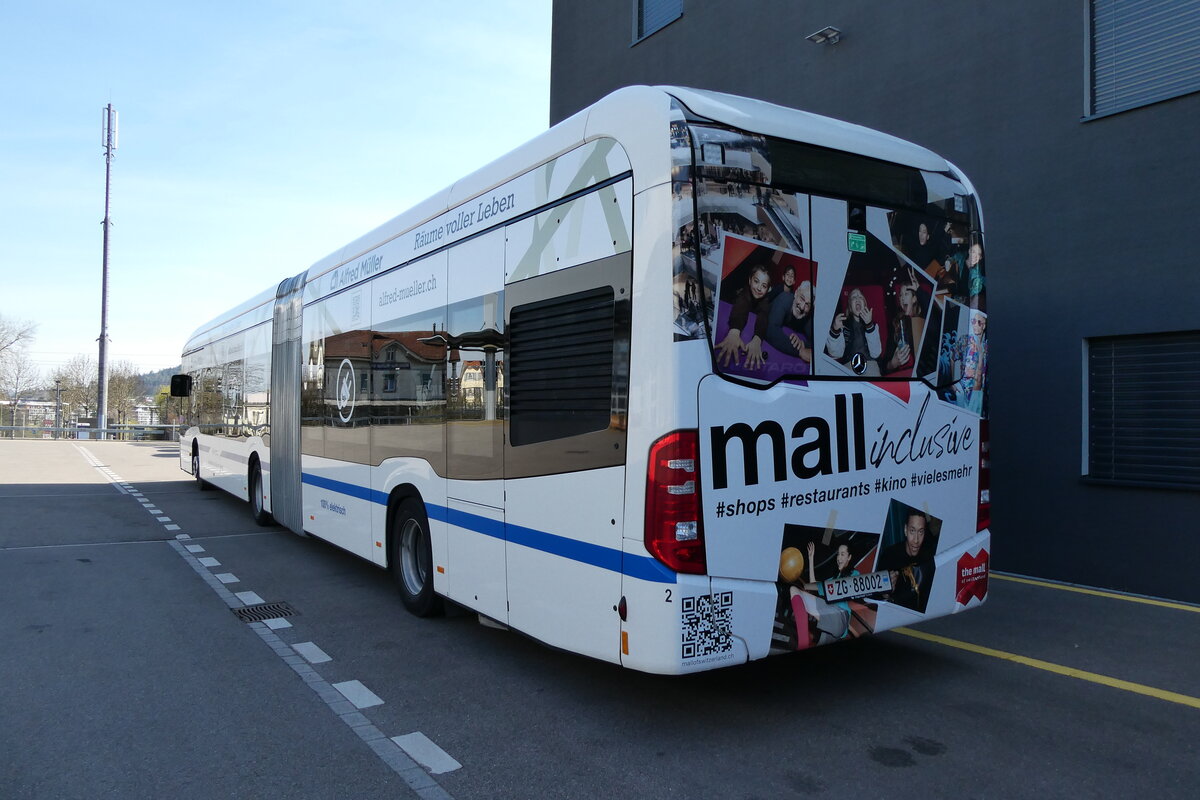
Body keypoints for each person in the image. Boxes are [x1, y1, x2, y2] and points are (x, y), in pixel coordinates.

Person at [715, 263, 771, 368]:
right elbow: (742, 305)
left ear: (767, 289)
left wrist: (757, 339)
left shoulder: (765, 301)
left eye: (764, 286)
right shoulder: (745, 293)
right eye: (756, 281)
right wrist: (734, 332)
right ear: (750, 280)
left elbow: (764, 316)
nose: (759, 288)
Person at [878, 511, 935, 612]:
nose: (916, 540)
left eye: (920, 532)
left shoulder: (930, 556)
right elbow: (878, 597)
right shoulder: (889, 555)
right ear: (905, 530)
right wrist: (885, 592)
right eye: (912, 531)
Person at [824, 287, 881, 375]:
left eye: (860, 297)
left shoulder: (873, 326)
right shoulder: (843, 326)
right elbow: (836, 353)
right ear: (850, 307)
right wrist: (835, 330)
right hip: (849, 367)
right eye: (853, 297)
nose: (857, 298)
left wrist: (869, 325)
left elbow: (876, 353)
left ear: (865, 304)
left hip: (870, 366)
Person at [881, 270, 926, 375]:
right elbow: (884, 365)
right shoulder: (896, 324)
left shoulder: (924, 319)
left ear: (914, 299)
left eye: (906, 294)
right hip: (903, 374)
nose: (902, 298)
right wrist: (893, 364)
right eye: (900, 295)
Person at [764, 279, 813, 366]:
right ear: (796, 293)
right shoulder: (785, 298)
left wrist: (802, 343)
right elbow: (770, 330)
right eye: (802, 298)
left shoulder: (808, 316)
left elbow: (816, 343)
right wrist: (800, 351)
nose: (802, 307)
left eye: (807, 305)